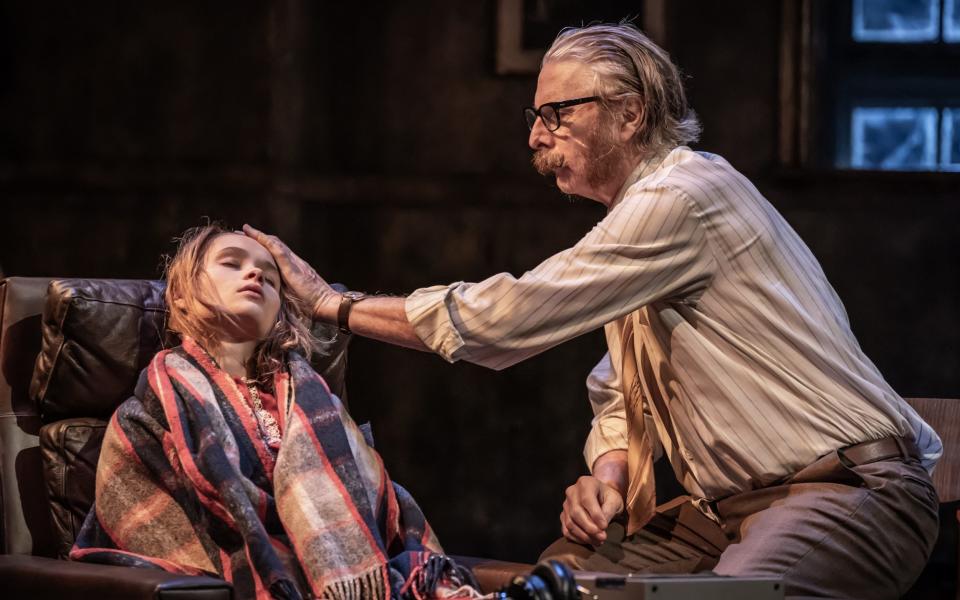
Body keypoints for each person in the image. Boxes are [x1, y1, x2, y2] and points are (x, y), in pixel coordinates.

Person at [244, 22, 941, 599]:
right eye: (536, 117)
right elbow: (620, 391)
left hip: (848, 496)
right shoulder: (640, 232)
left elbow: (503, 319)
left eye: (557, 114)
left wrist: (332, 304)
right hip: (725, 513)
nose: (536, 138)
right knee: (560, 584)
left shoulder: (685, 199)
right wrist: (607, 476)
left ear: (630, 113)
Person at [70, 225, 479, 600]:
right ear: (179, 294)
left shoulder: (325, 412)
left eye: (270, 276)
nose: (256, 275)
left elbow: (384, 518)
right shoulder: (145, 416)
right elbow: (149, 523)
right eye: (232, 263)